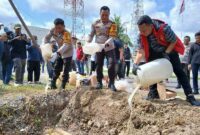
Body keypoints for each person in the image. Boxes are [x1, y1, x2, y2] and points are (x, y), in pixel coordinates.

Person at [132, 15, 200, 106]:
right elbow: (141, 51)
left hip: (169, 49)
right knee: (151, 71)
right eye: (140, 30)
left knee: (179, 71)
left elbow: (173, 41)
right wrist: (135, 64)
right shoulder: (141, 35)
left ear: (151, 25)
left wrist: (166, 53)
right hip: (153, 52)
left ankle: (190, 96)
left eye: (144, 30)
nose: (142, 33)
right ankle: (153, 94)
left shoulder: (164, 28)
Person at [87, 6, 117, 91]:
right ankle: (99, 82)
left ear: (109, 14)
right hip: (98, 47)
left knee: (112, 63)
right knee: (98, 64)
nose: (104, 17)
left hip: (109, 47)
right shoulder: (95, 23)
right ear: (100, 14)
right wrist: (87, 41)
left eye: (106, 15)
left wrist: (106, 43)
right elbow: (91, 34)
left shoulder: (112, 24)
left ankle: (111, 83)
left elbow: (112, 37)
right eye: (102, 15)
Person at [44, 18, 73, 90]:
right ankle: (53, 83)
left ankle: (63, 85)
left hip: (68, 52)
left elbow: (66, 45)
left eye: (60, 28)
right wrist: (45, 46)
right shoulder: (53, 30)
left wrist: (57, 52)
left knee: (66, 69)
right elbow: (46, 38)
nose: (58, 30)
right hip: (59, 51)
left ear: (64, 26)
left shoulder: (67, 33)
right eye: (56, 28)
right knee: (57, 67)